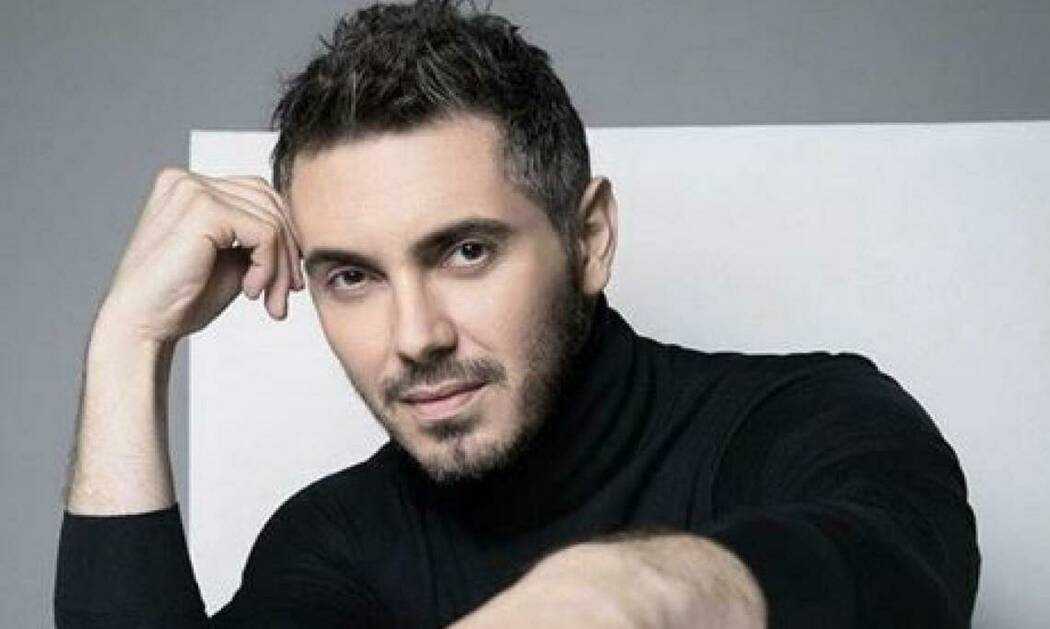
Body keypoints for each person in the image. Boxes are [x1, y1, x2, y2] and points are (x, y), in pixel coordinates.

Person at [54, 1, 980, 627]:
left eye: (466, 251)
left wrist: (638, 589)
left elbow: (903, 571)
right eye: (353, 277)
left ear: (590, 238)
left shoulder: (807, 418)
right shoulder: (336, 541)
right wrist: (128, 343)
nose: (415, 337)